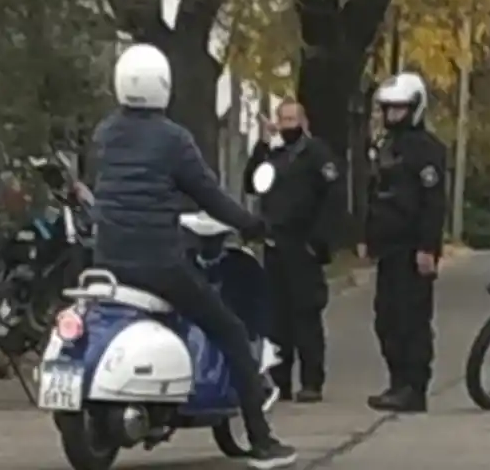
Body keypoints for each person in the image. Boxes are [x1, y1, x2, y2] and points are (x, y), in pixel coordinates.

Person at [91, 43, 296, 469]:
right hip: (158, 264)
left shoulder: (105, 133)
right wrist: (252, 225)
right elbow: (210, 195)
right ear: (163, 85)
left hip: (107, 259)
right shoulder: (173, 140)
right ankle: (262, 441)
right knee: (232, 331)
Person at [359, 72, 447, 413]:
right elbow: (374, 195)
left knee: (412, 319)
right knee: (386, 318)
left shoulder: (427, 150)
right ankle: (396, 381)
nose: (392, 115)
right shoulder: (385, 147)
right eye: (388, 109)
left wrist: (428, 247)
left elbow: (433, 202)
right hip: (389, 247)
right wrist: (367, 237)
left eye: (399, 109)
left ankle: (414, 387)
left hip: (413, 248)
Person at [243, 100, 340, 403]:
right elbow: (251, 184)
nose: (287, 125)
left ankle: (312, 381)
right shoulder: (275, 155)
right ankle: (280, 381)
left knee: (306, 314)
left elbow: (332, 197)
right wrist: (261, 145)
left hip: (304, 245)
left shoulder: (316, 154)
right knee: (276, 317)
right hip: (275, 245)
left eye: (292, 119)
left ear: (303, 121)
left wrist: (319, 241)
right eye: (282, 120)